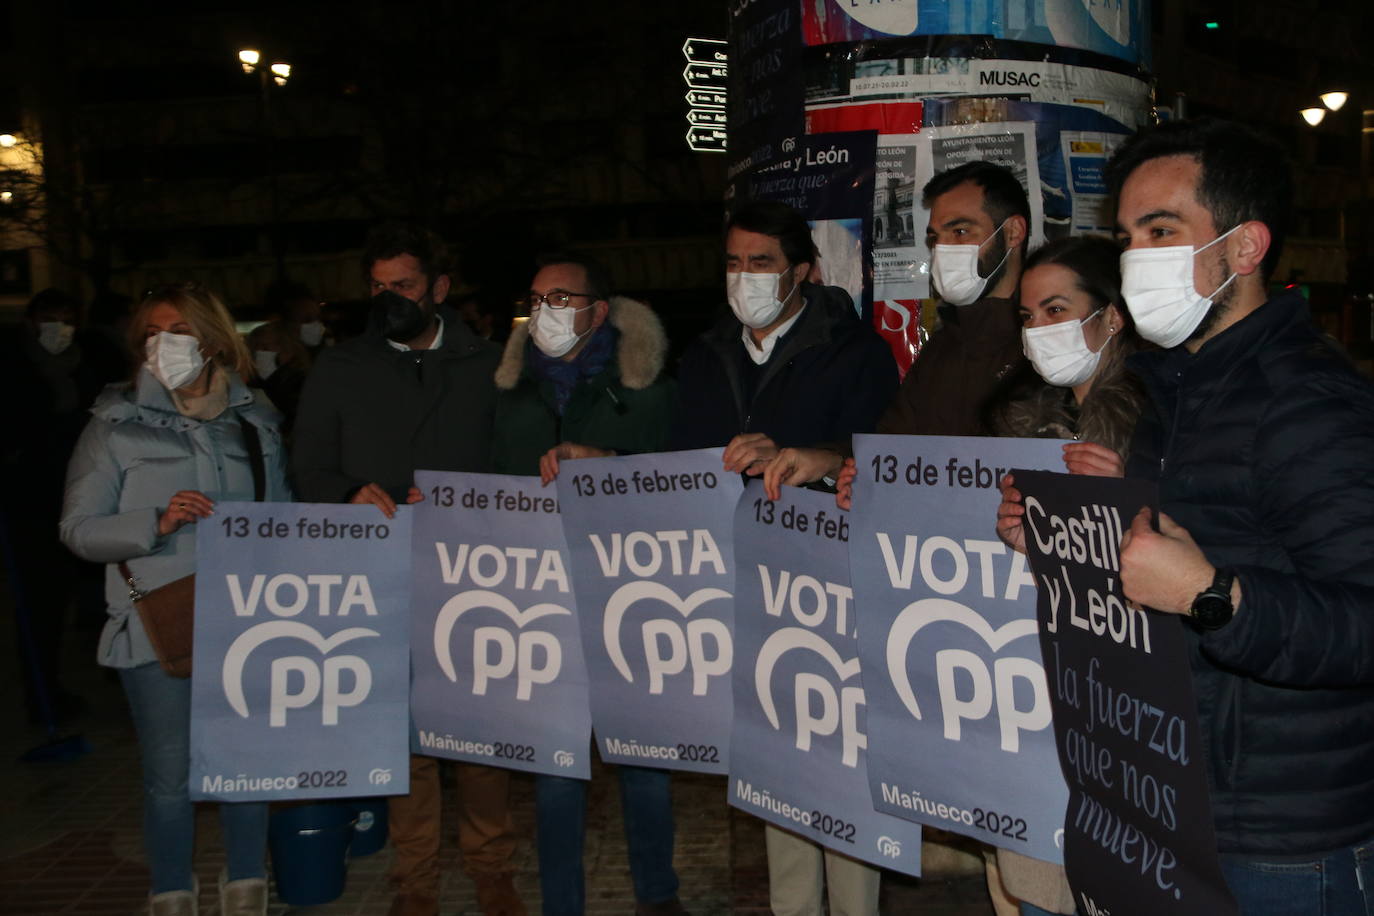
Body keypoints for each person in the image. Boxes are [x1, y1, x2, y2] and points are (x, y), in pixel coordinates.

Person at [1003, 118, 1374, 914]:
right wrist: (1065, 538)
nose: (1136, 257)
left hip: (1284, 839)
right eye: (1128, 236)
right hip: (1177, 799)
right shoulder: (1175, 394)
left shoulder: (1310, 405)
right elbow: (1165, 559)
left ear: (1244, 248)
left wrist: (1212, 597)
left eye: (1162, 230)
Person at [673, 199, 897, 916]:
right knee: (773, 768)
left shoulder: (855, 352)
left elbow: (881, 467)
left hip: (831, 597)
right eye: (734, 263)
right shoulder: (708, 353)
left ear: (802, 271)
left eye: (761, 263)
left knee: (842, 772)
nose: (744, 278)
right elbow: (679, 465)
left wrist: (821, 461)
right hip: (742, 593)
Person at [292, 222, 522, 916]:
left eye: (405, 285)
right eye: (379, 286)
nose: (390, 297)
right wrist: (344, 493)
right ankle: (415, 878)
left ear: (440, 289)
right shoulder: (341, 367)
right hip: (379, 574)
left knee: (477, 731)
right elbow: (307, 464)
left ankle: (492, 866)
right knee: (405, 734)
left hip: (471, 572)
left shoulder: (491, 365)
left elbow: (511, 461)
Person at [59, 282, 291, 916]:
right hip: (153, 624)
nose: (165, 348)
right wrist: (152, 522)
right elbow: (76, 530)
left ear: (214, 343)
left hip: (245, 622)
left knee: (244, 765)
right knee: (170, 776)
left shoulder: (255, 424)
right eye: (153, 336)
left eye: (180, 334)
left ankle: (246, 881)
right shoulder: (112, 429)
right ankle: (171, 890)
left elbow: (286, 523)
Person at [490, 252, 680, 916]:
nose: (546, 312)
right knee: (554, 776)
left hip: (629, 606)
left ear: (600, 311)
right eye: (538, 299)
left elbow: (683, 488)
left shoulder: (651, 391)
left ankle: (658, 895)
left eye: (563, 299)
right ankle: (561, 905)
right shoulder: (509, 395)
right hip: (541, 607)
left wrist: (610, 463)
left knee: (645, 765)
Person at [987, 235, 1148, 916]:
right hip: (1035, 696)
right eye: (1028, 317)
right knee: (1037, 885)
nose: (1039, 330)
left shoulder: (1162, 422)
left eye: (1057, 309)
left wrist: (1131, 496)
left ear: (1112, 316)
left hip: (1128, 712)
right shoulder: (1019, 426)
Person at [770, 161, 1031, 510]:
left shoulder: (1047, 341)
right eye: (936, 238)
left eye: (961, 232)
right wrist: (834, 463)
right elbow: (891, 446)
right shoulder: (946, 344)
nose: (944, 250)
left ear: (1013, 232)